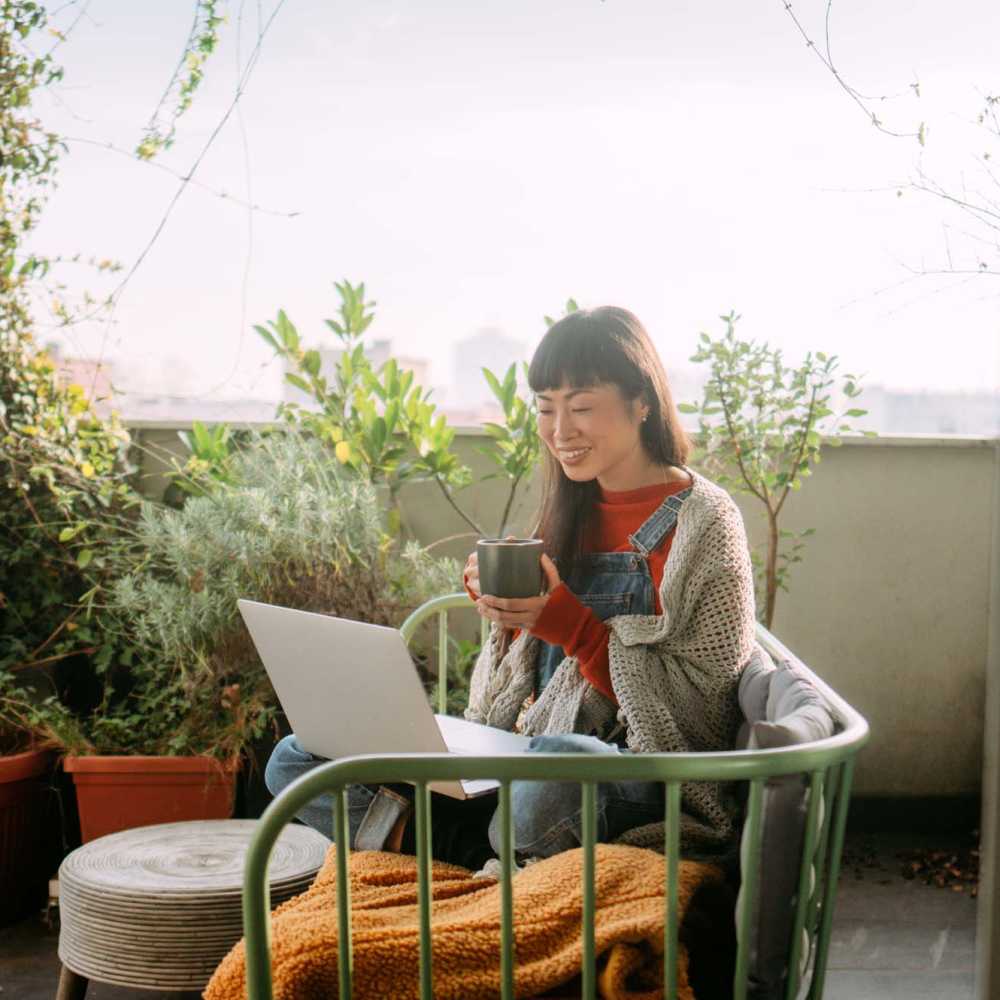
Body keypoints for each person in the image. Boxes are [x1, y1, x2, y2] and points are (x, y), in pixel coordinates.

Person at [265, 306, 764, 867]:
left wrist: (568, 626)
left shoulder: (705, 520)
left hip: (640, 775)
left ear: (642, 402)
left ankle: (451, 842)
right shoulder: (571, 508)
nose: (559, 431)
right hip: (527, 762)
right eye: (545, 409)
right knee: (295, 759)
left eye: (580, 408)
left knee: (556, 766)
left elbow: (703, 708)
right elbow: (531, 677)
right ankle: (487, 846)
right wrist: (501, 610)